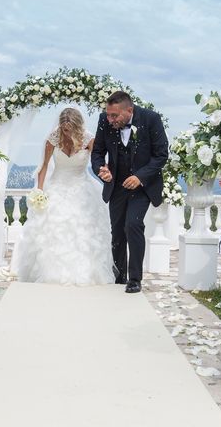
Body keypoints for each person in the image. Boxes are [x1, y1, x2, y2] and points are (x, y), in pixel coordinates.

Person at [11, 107, 115, 285]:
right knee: (52, 229)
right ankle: (51, 273)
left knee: (82, 230)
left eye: (69, 129)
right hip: (57, 186)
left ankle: (86, 272)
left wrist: (105, 171)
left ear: (77, 126)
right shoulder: (53, 138)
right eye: (64, 129)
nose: (66, 133)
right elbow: (43, 166)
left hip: (82, 187)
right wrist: (40, 191)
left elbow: (98, 160)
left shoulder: (89, 139)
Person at [91, 91, 169, 293]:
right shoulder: (104, 120)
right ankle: (119, 274)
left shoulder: (151, 119)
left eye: (114, 116)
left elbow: (161, 155)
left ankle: (135, 279)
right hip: (116, 186)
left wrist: (140, 177)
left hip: (142, 186)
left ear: (129, 110)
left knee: (133, 225)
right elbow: (97, 152)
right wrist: (102, 170)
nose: (110, 120)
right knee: (117, 232)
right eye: (108, 115)